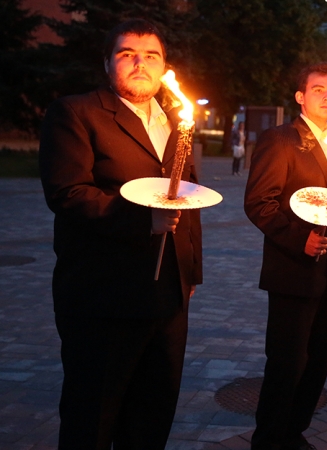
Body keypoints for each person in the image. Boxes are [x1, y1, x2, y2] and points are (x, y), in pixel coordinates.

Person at [38, 19, 202, 449]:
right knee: (93, 416)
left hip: (168, 297)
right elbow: (68, 192)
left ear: (164, 67)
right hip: (104, 296)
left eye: (151, 56)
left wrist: (192, 273)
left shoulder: (174, 122)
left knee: (152, 414)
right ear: (107, 62)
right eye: (128, 53)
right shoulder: (77, 113)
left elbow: (187, 195)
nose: (139, 63)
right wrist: (141, 220)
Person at [244, 62, 327, 450]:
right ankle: (268, 440)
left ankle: (294, 432)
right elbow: (258, 203)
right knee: (287, 364)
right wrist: (301, 240)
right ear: (300, 96)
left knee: (317, 363)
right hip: (294, 271)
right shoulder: (281, 139)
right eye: (318, 90)